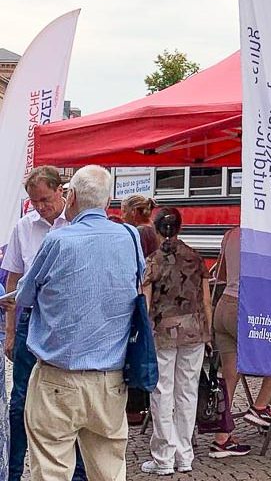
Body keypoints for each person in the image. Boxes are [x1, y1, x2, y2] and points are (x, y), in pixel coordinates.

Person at [14, 165, 141, 481]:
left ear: (69, 197)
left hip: (58, 378)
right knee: (109, 471)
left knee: (51, 469)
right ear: (107, 201)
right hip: (111, 378)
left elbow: (25, 296)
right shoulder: (130, 236)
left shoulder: (58, 240)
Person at [2, 166, 87, 481]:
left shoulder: (78, 224)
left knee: (73, 399)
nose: (41, 206)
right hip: (31, 320)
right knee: (21, 399)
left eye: (46, 199)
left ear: (61, 191)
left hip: (70, 323)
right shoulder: (24, 227)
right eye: (35, 201)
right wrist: (10, 332)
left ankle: (78, 473)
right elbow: (12, 278)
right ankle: (12, 472)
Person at [140, 207, 212, 475]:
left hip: (162, 334)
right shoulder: (195, 257)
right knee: (188, 392)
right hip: (194, 331)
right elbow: (205, 300)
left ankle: (163, 457)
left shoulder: (153, 261)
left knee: (162, 392)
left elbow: (144, 302)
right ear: (179, 227)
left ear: (156, 229)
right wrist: (209, 331)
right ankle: (185, 456)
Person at [209, 227, 271, 458]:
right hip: (246, 307)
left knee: (230, 374)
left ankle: (221, 439)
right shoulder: (268, 235)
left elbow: (220, 274)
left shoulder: (231, 234)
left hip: (224, 306)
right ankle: (260, 407)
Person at [120, 194, 158, 427]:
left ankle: (134, 407)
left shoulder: (140, 233)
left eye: (124, 210)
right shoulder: (152, 230)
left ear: (133, 212)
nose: (121, 214)